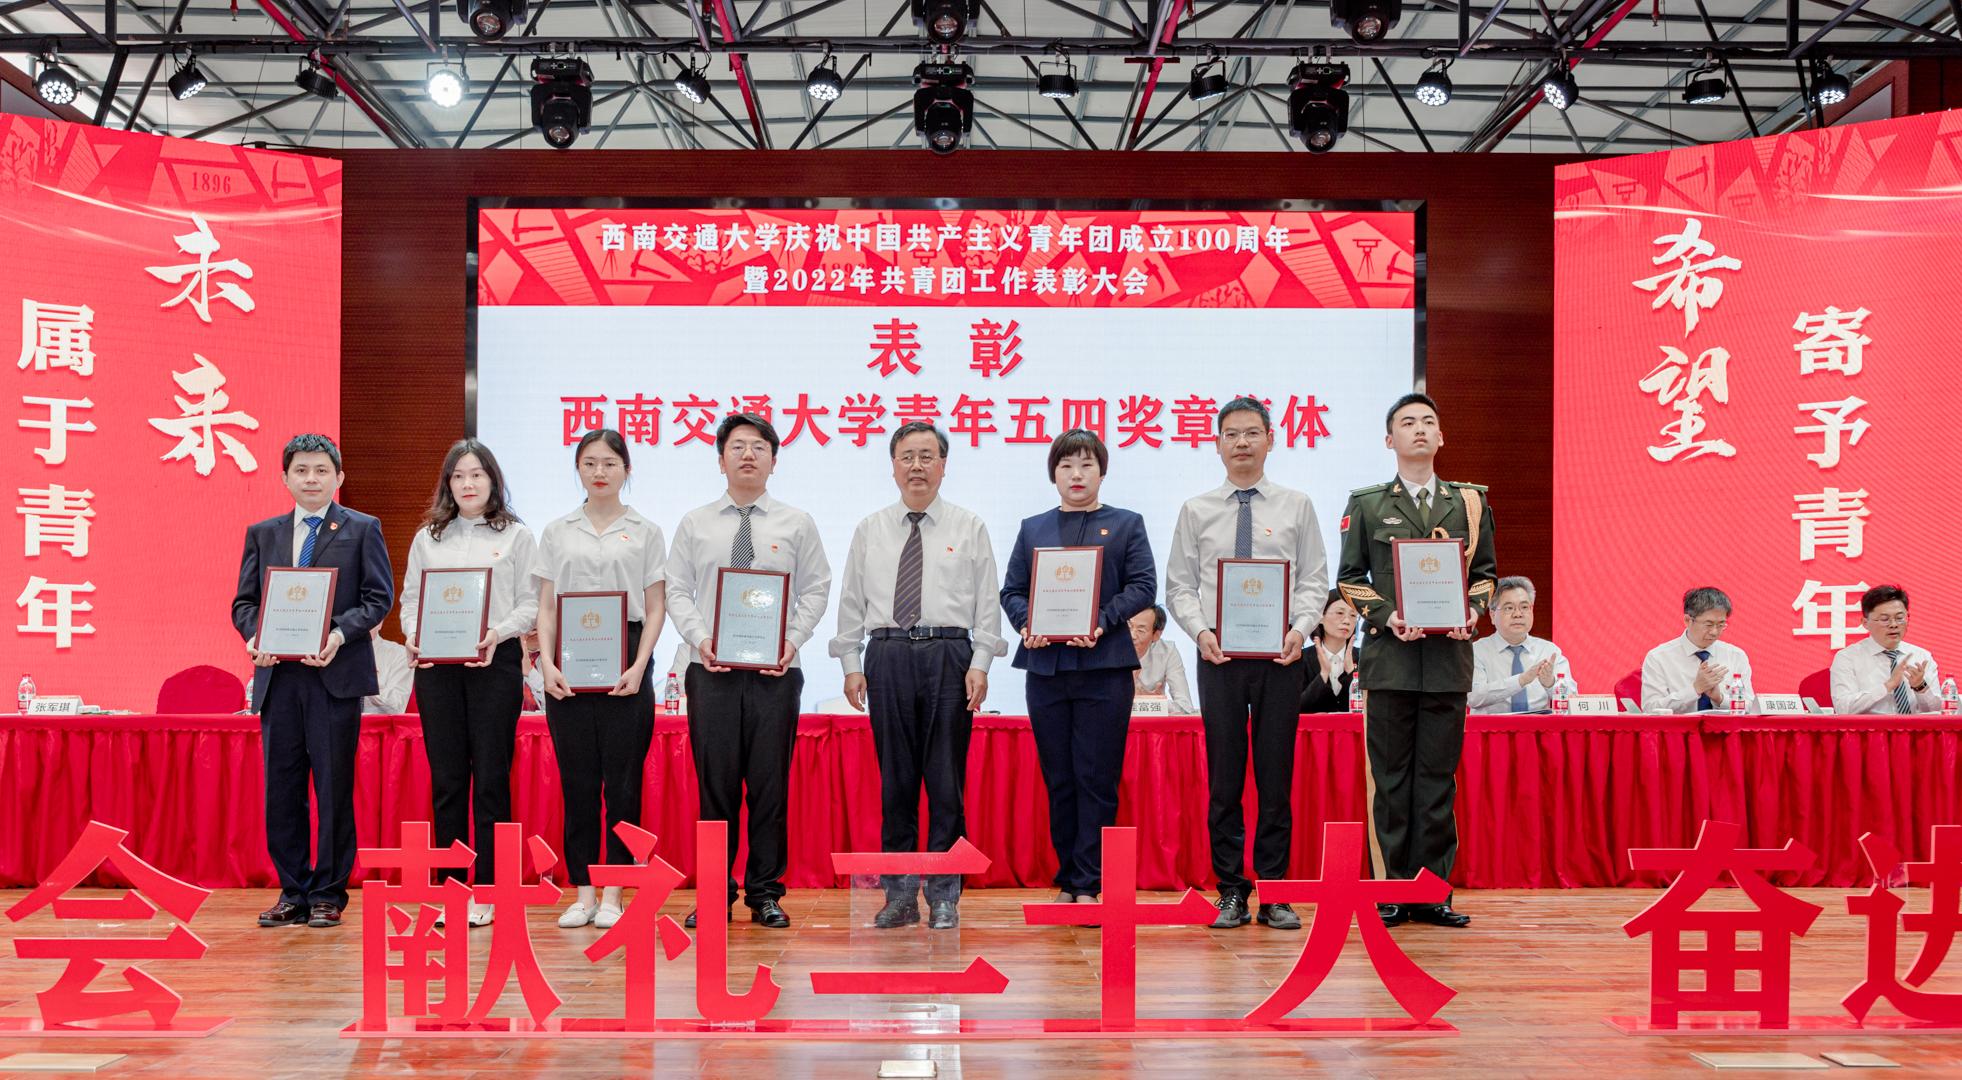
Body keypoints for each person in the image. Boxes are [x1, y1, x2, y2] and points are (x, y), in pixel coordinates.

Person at [830, 422, 1005, 930]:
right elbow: (851, 602)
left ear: (943, 466)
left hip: (950, 655)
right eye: (907, 456)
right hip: (886, 654)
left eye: (928, 456)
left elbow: (987, 603)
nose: (917, 466)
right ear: (893, 466)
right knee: (897, 785)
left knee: (947, 784)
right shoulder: (870, 529)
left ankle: (945, 895)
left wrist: (981, 662)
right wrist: (851, 665)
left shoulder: (968, 526)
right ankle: (900, 896)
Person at [1165, 397, 1326, 931]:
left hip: (1282, 656)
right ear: (1216, 444)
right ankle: (1231, 890)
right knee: (1225, 779)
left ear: (1270, 440)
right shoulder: (1196, 510)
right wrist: (1201, 632)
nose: (1241, 443)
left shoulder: (1297, 506)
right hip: (1220, 658)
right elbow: (1179, 586)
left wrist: (1299, 629)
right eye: (1231, 434)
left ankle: (1275, 891)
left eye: (1252, 433)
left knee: (1276, 779)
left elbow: (1313, 579)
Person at [1337, 393, 1496, 930]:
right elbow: (1350, 579)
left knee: (1436, 780)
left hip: (1448, 660)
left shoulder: (1467, 502)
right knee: (1390, 781)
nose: (1420, 429)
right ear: (1391, 440)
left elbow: (1486, 575)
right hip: (1391, 661)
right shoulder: (1367, 504)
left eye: (1429, 421)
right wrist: (1387, 617)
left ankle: (1431, 892)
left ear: (1441, 436)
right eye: (1407, 423)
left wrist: (1472, 611)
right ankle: (1390, 890)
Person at [667, 413, 831, 930]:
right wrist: (701, 638)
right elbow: (676, 590)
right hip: (711, 671)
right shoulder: (695, 523)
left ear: (773, 461)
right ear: (720, 460)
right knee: (715, 790)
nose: (747, 455)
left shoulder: (796, 522)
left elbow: (817, 588)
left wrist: (791, 641)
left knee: (769, 787)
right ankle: (715, 893)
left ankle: (765, 893)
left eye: (759, 447)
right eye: (737, 446)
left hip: (775, 673)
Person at [231, 433, 394, 930]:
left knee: (333, 787)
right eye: (301, 470)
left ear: (338, 477)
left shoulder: (362, 528)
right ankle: (293, 891)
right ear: (285, 478)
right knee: (282, 790)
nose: (311, 479)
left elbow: (378, 598)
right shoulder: (263, 533)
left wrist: (338, 635)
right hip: (279, 677)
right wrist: (254, 636)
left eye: (321, 470)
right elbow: (244, 603)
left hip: (333, 676)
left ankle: (327, 893)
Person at [1003, 430, 1157, 907]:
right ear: (1053, 473)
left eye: (1087, 464)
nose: (1076, 474)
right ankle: (1068, 879)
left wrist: (1102, 620)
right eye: (1066, 465)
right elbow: (1012, 591)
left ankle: (1090, 882)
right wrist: (1027, 622)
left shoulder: (1126, 524)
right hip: (1047, 670)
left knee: (1096, 778)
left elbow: (1143, 585)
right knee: (1060, 779)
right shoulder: (1033, 528)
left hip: (1104, 669)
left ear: (1102, 473)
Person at [398, 438, 538, 928]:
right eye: (458, 476)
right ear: (448, 484)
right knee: (448, 781)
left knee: (492, 780)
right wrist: (414, 635)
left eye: (477, 474)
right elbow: (411, 601)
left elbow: (530, 603)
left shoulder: (517, 536)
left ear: (493, 480)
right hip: (437, 670)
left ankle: (493, 889)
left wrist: (497, 632)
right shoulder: (428, 538)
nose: (468, 483)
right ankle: (452, 889)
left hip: (493, 665)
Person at [533, 429, 666, 931]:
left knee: (624, 784)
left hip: (626, 658)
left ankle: (615, 891)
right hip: (568, 660)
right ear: (578, 470)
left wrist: (640, 664)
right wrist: (546, 664)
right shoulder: (557, 531)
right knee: (579, 785)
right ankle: (584, 892)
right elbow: (547, 608)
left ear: (627, 469)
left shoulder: (646, 530)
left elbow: (656, 607)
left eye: (610, 462)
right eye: (589, 463)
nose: (600, 471)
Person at [1640, 587, 1755, 714]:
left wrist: (1720, 699)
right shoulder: (1658, 657)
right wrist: (1695, 689)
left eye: (1721, 625)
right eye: (1708, 624)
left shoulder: (1736, 656)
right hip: (1679, 727)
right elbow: (1650, 709)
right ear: (1688, 620)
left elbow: (1750, 706)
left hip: (1724, 727)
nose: (1714, 632)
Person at [1830, 585, 1941, 715]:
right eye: (1884, 619)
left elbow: (1936, 712)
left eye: (1899, 618)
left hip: (1914, 728)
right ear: (1865, 623)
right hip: (1870, 728)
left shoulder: (1921, 656)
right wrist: (1887, 686)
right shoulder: (1848, 658)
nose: (1893, 625)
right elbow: (1843, 709)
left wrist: (1920, 686)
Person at [1469, 576, 1570, 714]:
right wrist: (1521, 680)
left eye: (1524, 607)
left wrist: (1551, 683)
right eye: (1509, 608)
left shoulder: (1549, 651)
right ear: (1492, 615)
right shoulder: (1477, 651)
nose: (1518, 614)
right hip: (1493, 727)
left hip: (1538, 727)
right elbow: (1473, 697)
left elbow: (1572, 700)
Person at [1299, 591, 1362, 714]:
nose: (1347, 621)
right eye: (1340, 613)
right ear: (1320, 617)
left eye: (1353, 615)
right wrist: (1323, 674)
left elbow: (1371, 709)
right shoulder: (1301, 658)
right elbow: (1295, 709)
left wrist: (1351, 673)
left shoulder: (1364, 658)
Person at [1128, 605, 1195, 713]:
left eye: (1140, 630)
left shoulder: (1167, 652)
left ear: (1156, 635)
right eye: (1128, 626)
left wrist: (1153, 704)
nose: (1132, 635)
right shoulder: (1109, 648)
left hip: (1150, 721)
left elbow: (1185, 706)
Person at [363, 638, 414, 715]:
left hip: (376, 722)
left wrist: (368, 683)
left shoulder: (400, 654)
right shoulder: (342, 652)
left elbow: (396, 709)